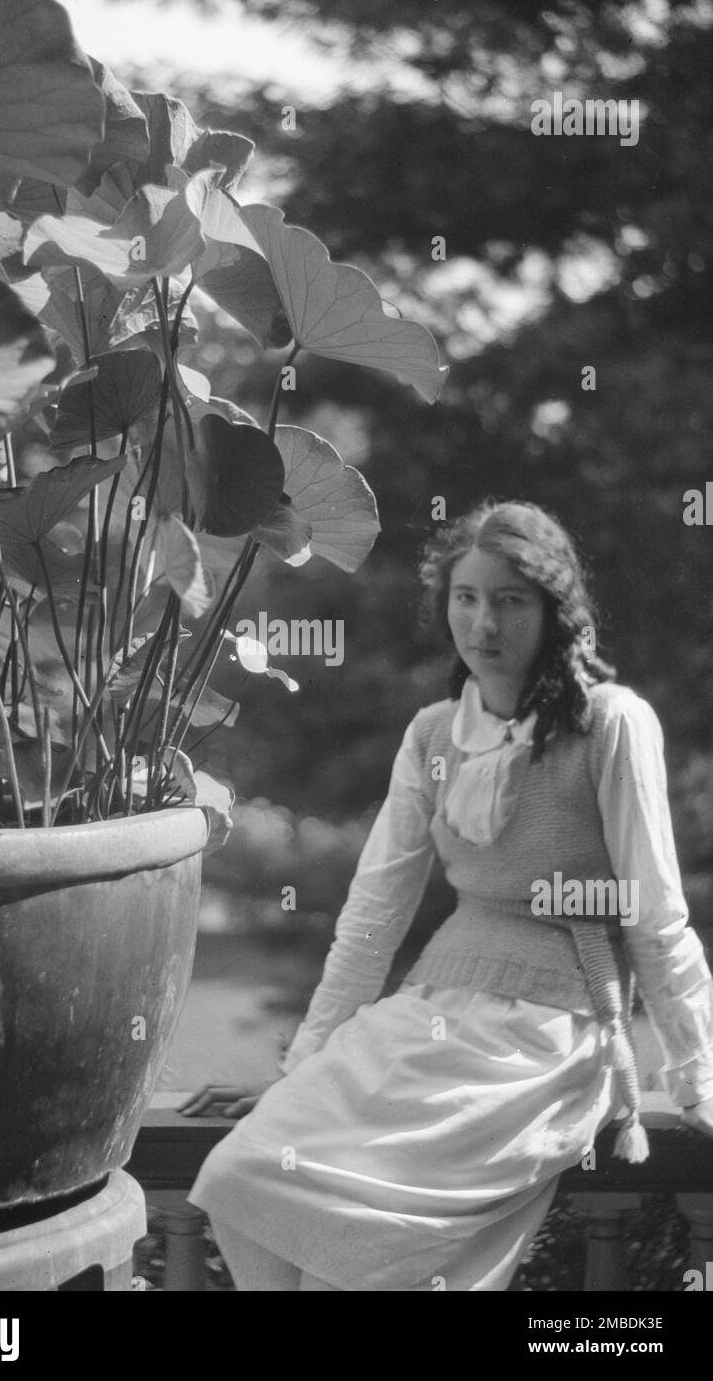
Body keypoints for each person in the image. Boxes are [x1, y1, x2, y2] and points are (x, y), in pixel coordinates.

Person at [179, 500, 713, 1292]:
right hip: (432, 1012)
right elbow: (372, 917)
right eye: (466, 598)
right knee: (243, 1172)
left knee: (361, 1251)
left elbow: (655, 914)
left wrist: (698, 1079)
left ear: (553, 612)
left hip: (549, 1032)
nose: (483, 622)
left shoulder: (610, 724)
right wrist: (303, 1066)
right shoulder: (432, 735)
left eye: (509, 600)